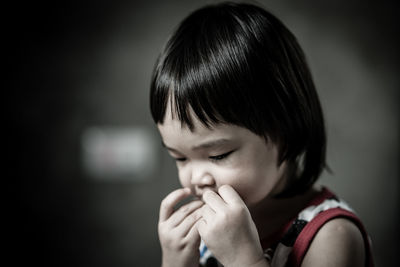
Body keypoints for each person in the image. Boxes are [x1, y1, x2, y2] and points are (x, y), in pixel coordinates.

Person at [149, 2, 374, 267]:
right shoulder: (208, 228)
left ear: (284, 131)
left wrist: (246, 260)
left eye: (218, 155)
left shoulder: (331, 236)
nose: (196, 179)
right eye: (180, 158)